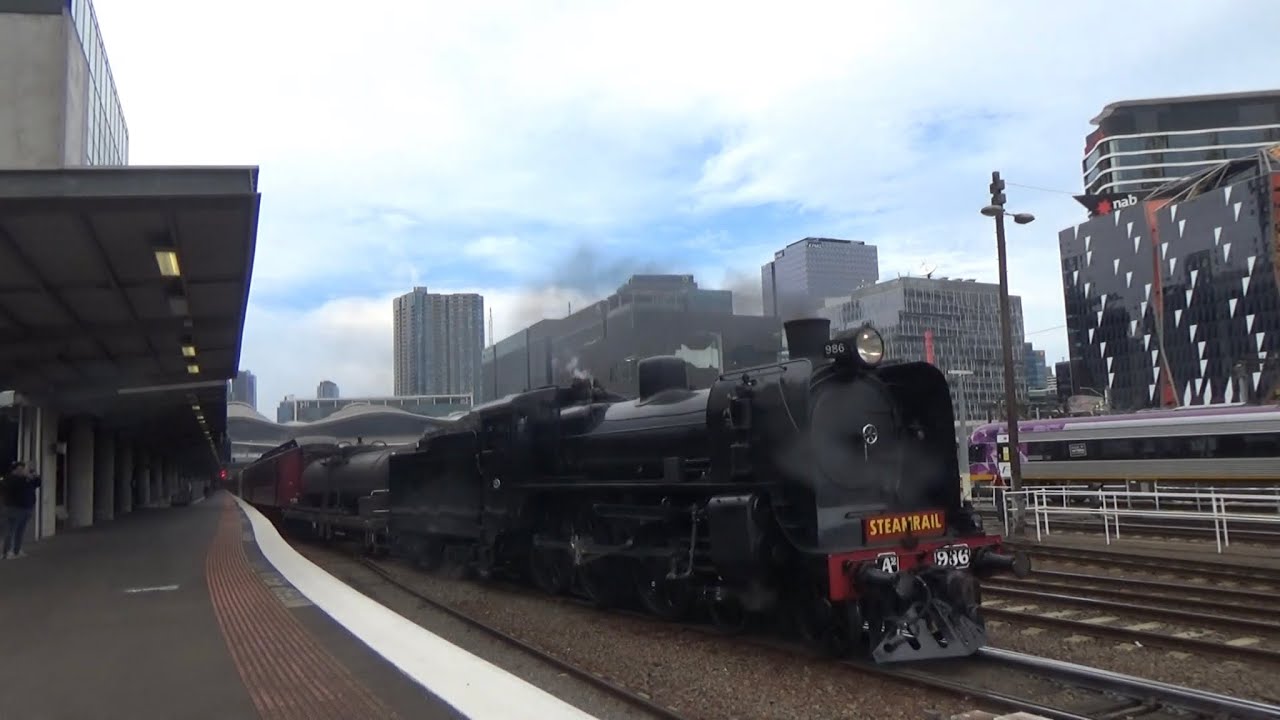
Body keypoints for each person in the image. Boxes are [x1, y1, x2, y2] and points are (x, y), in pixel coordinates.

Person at [2, 460, 40, 559]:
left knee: (21, 531)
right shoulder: (10, 479)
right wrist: (26, 477)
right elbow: (15, 487)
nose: (23, 471)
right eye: (20, 469)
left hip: (26, 508)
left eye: (23, 469)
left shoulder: (25, 479)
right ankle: (7, 552)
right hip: (14, 508)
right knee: (11, 530)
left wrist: (35, 475)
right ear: (14, 470)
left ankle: (17, 550)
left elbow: (37, 484)